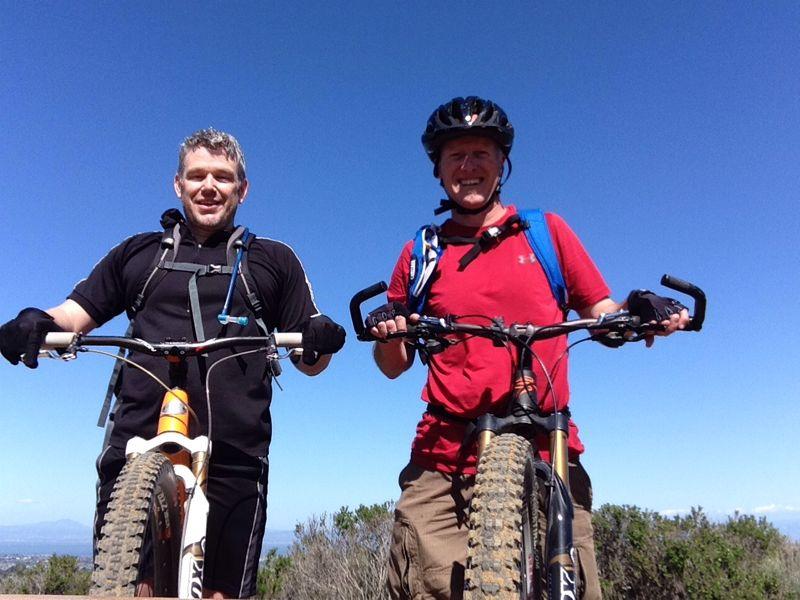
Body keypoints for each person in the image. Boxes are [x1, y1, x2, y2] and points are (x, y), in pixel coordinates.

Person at [0, 128, 346, 598]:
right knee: (133, 586)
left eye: (222, 177)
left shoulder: (273, 260)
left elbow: (311, 357)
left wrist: (319, 338)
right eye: (197, 174)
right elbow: (74, 314)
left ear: (242, 189)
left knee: (222, 592)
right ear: (178, 185)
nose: (209, 186)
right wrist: (37, 320)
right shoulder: (139, 253)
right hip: (138, 444)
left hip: (235, 452)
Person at [367, 97, 689, 600]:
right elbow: (393, 367)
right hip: (446, 454)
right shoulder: (421, 252)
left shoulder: (547, 233)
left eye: (481, 153)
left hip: (549, 442)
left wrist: (640, 308)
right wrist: (391, 331)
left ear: (502, 164)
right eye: (455, 156)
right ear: (438, 169)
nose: (468, 167)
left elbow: (599, 310)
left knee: (574, 584)